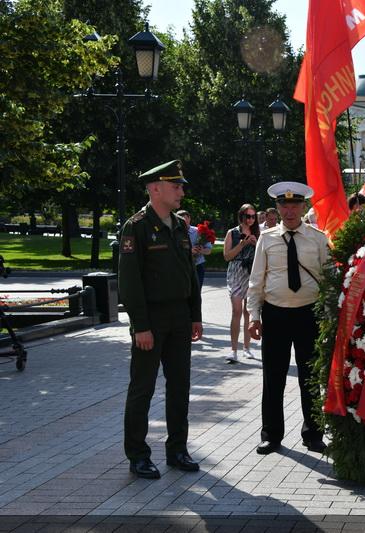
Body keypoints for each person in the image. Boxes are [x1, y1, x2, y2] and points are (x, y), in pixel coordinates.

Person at [118, 160, 203, 479]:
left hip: (180, 317)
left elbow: (189, 275)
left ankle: (177, 449)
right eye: (175, 185)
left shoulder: (180, 226)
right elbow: (129, 282)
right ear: (155, 188)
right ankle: (138, 454)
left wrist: (195, 315)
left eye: (180, 186)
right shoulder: (136, 226)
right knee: (143, 387)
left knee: (180, 386)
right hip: (150, 319)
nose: (181, 191)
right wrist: (140, 325)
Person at [248, 182, 330, 456]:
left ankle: (313, 434)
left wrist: (330, 316)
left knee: (310, 376)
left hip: (309, 313)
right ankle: (271, 435)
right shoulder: (266, 238)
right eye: (284, 205)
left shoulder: (318, 238)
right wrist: (253, 316)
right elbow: (256, 279)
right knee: (273, 377)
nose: (289, 210)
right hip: (275, 313)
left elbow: (329, 279)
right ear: (278, 208)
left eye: (295, 205)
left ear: (304, 207)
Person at [223, 204, 259, 363]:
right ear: (241, 216)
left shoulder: (258, 233)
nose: (250, 219)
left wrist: (256, 243)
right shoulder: (232, 232)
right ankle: (233, 350)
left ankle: (247, 348)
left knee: (248, 312)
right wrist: (243, 244)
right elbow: (227, 256)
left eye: (253, 216)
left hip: (251, 273)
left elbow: (263, 254)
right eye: (248, 216)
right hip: (236, 272)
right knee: (236, 310)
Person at [177, 210, 212, 288]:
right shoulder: (174, 233)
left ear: (189, 218)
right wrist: (190, 251)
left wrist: (201, 250)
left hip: (198, 266)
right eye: (180, 219)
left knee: (197, 291)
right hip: (182, 266)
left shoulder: (199, 231)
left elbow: (209, 250)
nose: (182, 221)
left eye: (185, 218)